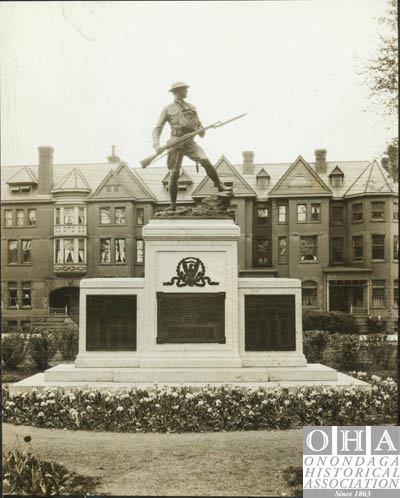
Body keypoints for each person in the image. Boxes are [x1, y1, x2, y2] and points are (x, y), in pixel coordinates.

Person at [152, 81, 230, 211]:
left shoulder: (192, 108)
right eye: (184, 90)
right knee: (174, 173)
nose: (187, 92)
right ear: (177, 91)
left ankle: (219, 184)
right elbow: (157, 128)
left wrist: (202, 130)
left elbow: (201, 129)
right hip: (175, 141)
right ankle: (172, 205)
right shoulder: (167, 109)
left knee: (204, 160)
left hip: (190, 142)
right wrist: (156, 145)